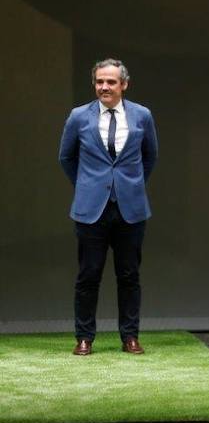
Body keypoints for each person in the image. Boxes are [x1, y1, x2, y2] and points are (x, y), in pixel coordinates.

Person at [59, 58, 158, 356]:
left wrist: (130, 184)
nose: (104, 87)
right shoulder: (79, 116)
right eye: (100, 81)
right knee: (88, 274)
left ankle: (130, 337)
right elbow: (66, 158)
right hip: (91, 209)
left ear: (124, 84)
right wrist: (88, 185)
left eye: (111, 82)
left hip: (131, 208)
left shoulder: (142, 115)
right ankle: (84, 337)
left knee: (129, 275)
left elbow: (150, 157)